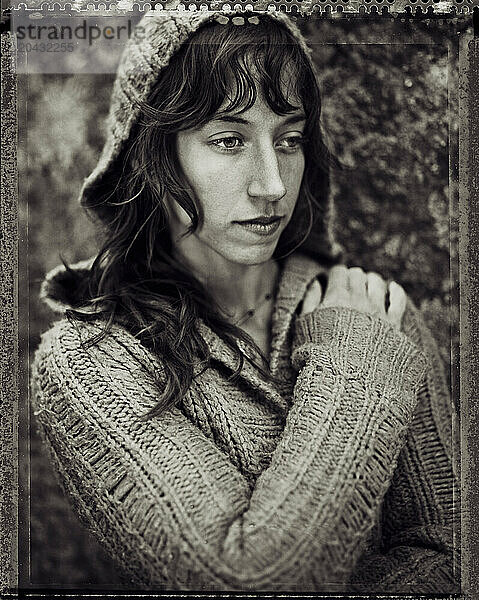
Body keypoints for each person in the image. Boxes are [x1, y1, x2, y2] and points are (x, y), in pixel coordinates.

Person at [31, 9, 459, 593]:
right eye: (228, 140)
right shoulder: (88, 362)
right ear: (152, 158)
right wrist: (356, 369)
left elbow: (452, 554)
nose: (272, 184)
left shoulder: (369, 308)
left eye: (289, 139)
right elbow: (247, 579)